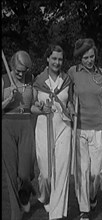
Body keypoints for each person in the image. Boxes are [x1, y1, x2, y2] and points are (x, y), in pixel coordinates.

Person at [68, 38, 102, 220]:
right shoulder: (73, 72)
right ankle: (84, 210)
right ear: (80, 58)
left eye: (92, 56)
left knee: (96, 172)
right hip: (80, 128)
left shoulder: (101, 73)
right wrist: (70, 106)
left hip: (99, 127)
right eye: (86, 57)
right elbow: (68, 95)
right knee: (83, 170)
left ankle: (93, 194)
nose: (90, 60)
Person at [31, 45, 73, 220]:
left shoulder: (67, 80)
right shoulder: (39, 81)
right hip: (43, 126)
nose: (57, 62)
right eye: (54, 58)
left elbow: (70, 102)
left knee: (62, 170)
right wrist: (41, 108)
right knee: (46, 171)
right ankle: (44, 193)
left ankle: (56, 214)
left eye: (60, 59)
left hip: (63, 126)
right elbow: (31, 107)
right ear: (47, 59)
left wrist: (71, 107)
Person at [2, 50, 36, 220]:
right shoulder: (4, 79)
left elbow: (33, 105)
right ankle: (16, 215)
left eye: (24, 70)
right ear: (12, 66)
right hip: (7, 125)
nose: (21, 74)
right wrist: (9, 98)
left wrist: (42, 110)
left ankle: (26, 188)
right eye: (18, 70)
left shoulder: (30, 80)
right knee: (11, 173)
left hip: (26, 125)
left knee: (25, 172)